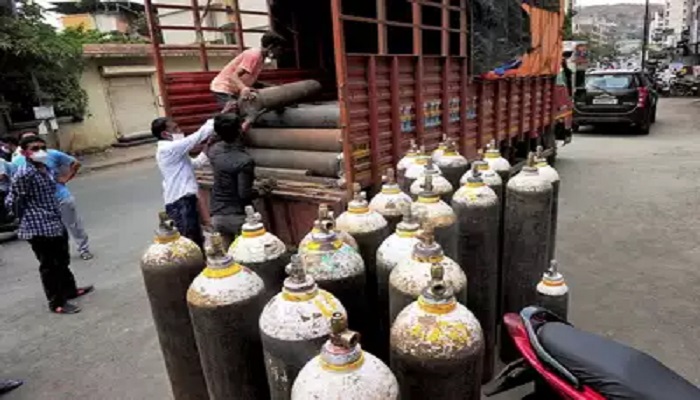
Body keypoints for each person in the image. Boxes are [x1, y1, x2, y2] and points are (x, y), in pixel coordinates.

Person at [5, 135, 93, 314]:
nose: (40, 152)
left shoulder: (46, 169)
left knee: (62, 259)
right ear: (24, 152)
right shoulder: (24, 174)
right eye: (35, 149)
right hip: (37, 226)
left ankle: (70, 290)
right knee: (49, 265)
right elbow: (13, 201)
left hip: (54, 220)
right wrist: (25, 218)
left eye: (42, 148)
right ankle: (57, 302)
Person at [13, 147, 93, 260]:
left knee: (73, 224)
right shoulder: (18, 164)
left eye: (39, 146)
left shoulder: (51, 155)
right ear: (24, 149)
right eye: (33, 147)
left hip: (61, 197)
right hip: (40, 204)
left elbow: (75, 163)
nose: (38, 151)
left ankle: (84, 248)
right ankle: (58, 253)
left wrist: (66, 177)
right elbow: (14, 188)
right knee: (52, 231)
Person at [152, 117, 216, 248]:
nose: (180, 130)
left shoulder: (175, 153)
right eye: (175, 128)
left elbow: (196, 163)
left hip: (183, 201)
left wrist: (208, 144)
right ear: (165, 134)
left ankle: (198, 265)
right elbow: (198, 136)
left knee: (196, 239)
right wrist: (220, 116)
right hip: (180, 203)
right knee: (190, 242)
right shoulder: (169, 149)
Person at [206, 113, 258, 249]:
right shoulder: (244, 161)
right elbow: (244, 194)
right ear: (239, 131)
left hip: (217, 213)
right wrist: (261, 191)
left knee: (225, 257)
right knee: (247, 255)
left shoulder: (214, 151)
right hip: (237, 216)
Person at [210, 31, 285, 107]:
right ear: (270, 47)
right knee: (231, 113)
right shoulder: (254, 55)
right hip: (224, 88)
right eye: (279, 49)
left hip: (233, 89)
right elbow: (234, 76)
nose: (280, 52)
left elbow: (250, 80)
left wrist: (270, 86)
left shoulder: (261, 58)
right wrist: (244, 88)